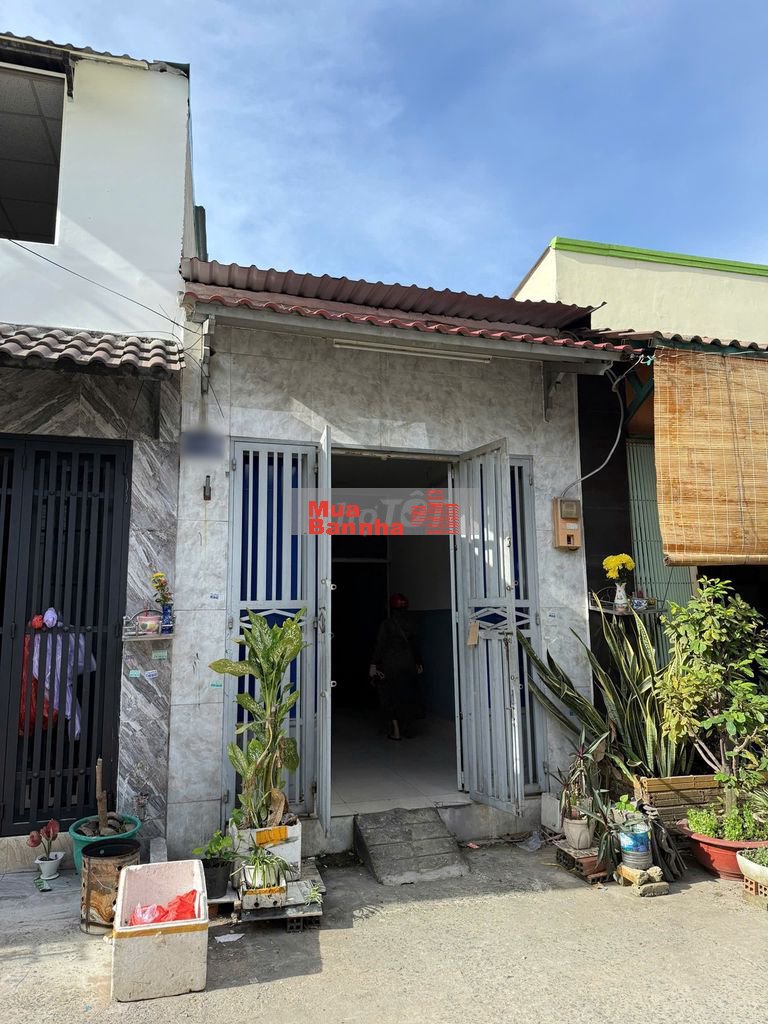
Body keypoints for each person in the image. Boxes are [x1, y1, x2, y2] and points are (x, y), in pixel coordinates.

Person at [369, 593, 423, 740]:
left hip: (391, 665)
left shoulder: (387, 625)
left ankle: (396, 731)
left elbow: (380, 645)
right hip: (409, 664)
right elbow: (416, 645)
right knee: (408, 695)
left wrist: (374, 664)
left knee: (390, 696)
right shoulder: (412, 624)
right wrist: (418, 662)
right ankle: (408, 729)